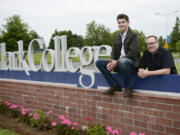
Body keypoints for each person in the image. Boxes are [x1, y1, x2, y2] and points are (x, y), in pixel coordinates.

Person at [96, 14, 141, 98]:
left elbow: (133, 53)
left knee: (123, 61)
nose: (121, 24)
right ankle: (115, 85)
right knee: (99, 63)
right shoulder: (117, 36)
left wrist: (117, 62)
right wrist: (111, 61)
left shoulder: (134, 35)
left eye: (123, 22)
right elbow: (114, 51)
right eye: (119, 22)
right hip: (118, 63)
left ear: (128, 23)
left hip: (131, 64)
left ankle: (127, 87)